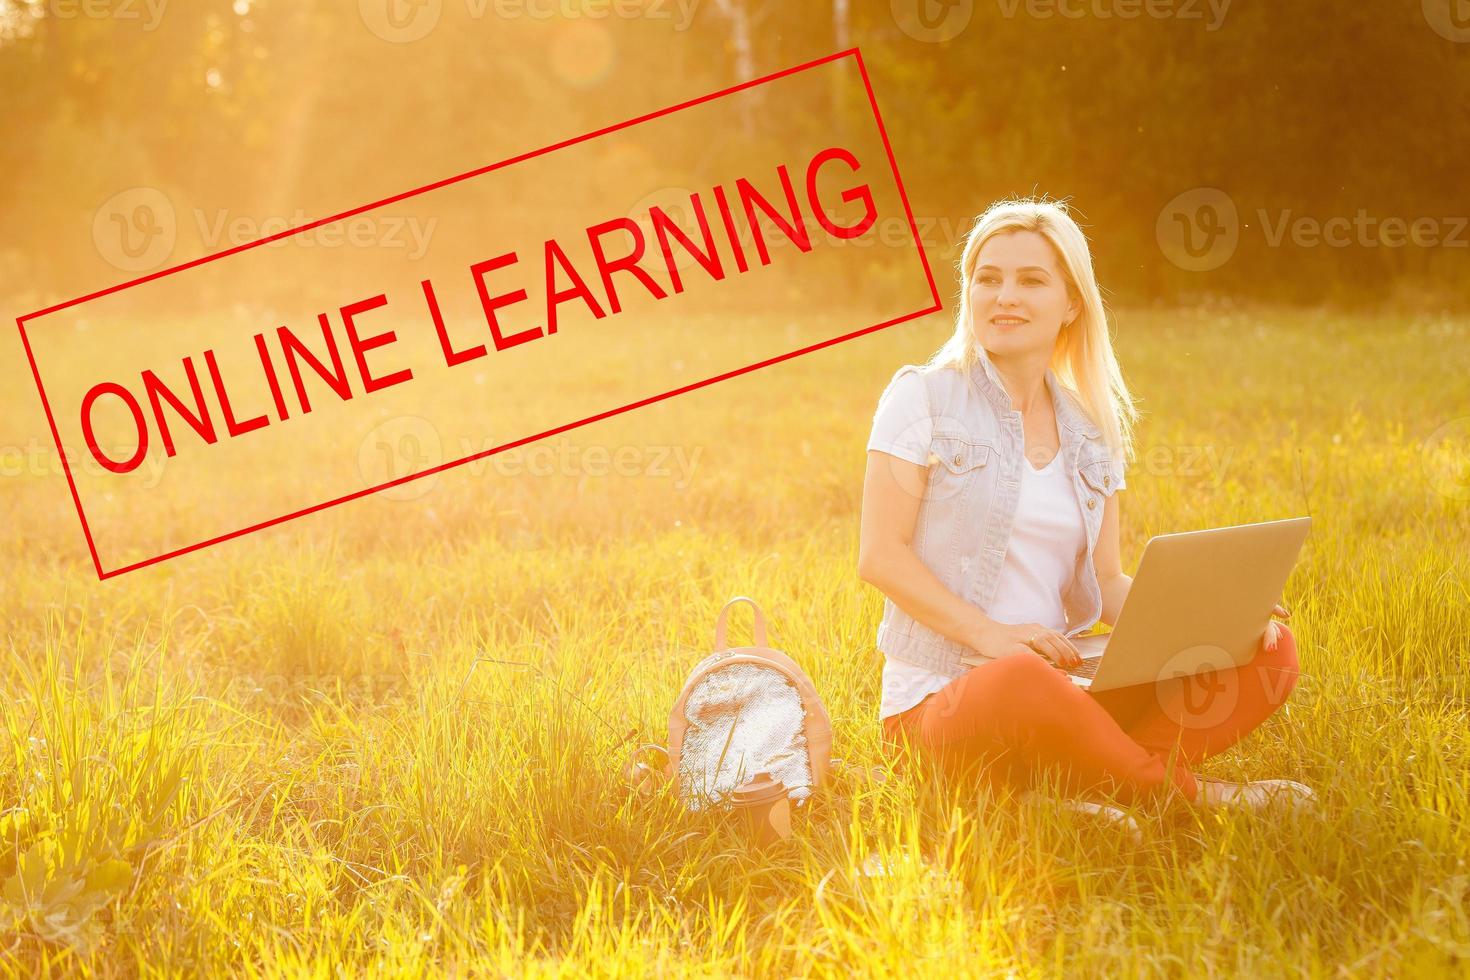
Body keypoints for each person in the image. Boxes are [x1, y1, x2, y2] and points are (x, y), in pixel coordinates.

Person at [858, 197, 1312, 821]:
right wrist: (997, 640)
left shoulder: (1092, 430)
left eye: (1031, 280)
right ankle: (1187, 798)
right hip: (946, 703)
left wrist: (1217, 619)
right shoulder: (922, 397)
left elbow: (1108, 582)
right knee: (1022, 681)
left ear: (1072, 303)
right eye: (987, 278)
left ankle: (1077, 785)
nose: (1004, 296)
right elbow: (881, 557)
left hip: (1067, 689)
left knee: (1269, 649)